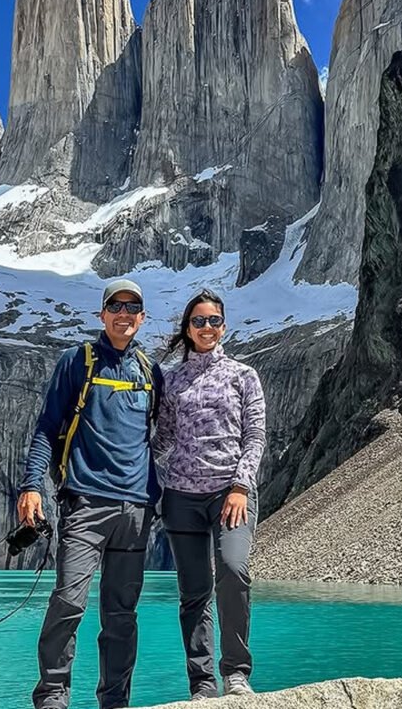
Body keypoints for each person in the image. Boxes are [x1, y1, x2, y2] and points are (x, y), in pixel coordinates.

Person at [17, 279, 162, 709]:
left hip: (137, 509)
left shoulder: (151, 372)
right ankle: (52, 698)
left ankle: (115, 702)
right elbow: (47, 427)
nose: (124, 313)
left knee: (121, 616)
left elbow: (165, 438)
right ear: (102, 315)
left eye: (132, 307)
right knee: (68, 602)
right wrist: (31, 485)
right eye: (115, 306)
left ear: (142, 317)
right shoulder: (76, 362)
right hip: (85, 503)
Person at [153, 288, 266, 701]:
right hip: (180, 496)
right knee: (194, 590)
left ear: (224, 325)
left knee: (234, 571)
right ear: (187, 328)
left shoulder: (243, 375)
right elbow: (162, 439)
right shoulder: (172, 380)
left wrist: (240, 486)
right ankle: (201, 684)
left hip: (229, 494)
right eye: (198, 321)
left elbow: (255, 437)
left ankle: (236, 672)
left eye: (213, 321)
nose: (206, 328)